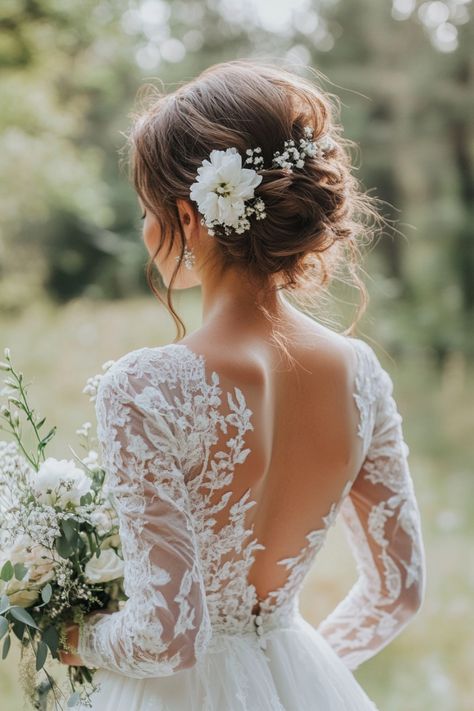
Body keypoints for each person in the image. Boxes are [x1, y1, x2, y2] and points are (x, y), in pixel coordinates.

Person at [59, 59, 426, 710]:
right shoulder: (359, 374)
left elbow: (168, 637)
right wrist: (295, 677)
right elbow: (397, 591)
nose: (147, 233)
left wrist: (76, 637)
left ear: (190, 217)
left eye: (148, 210)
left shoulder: (143, 386)